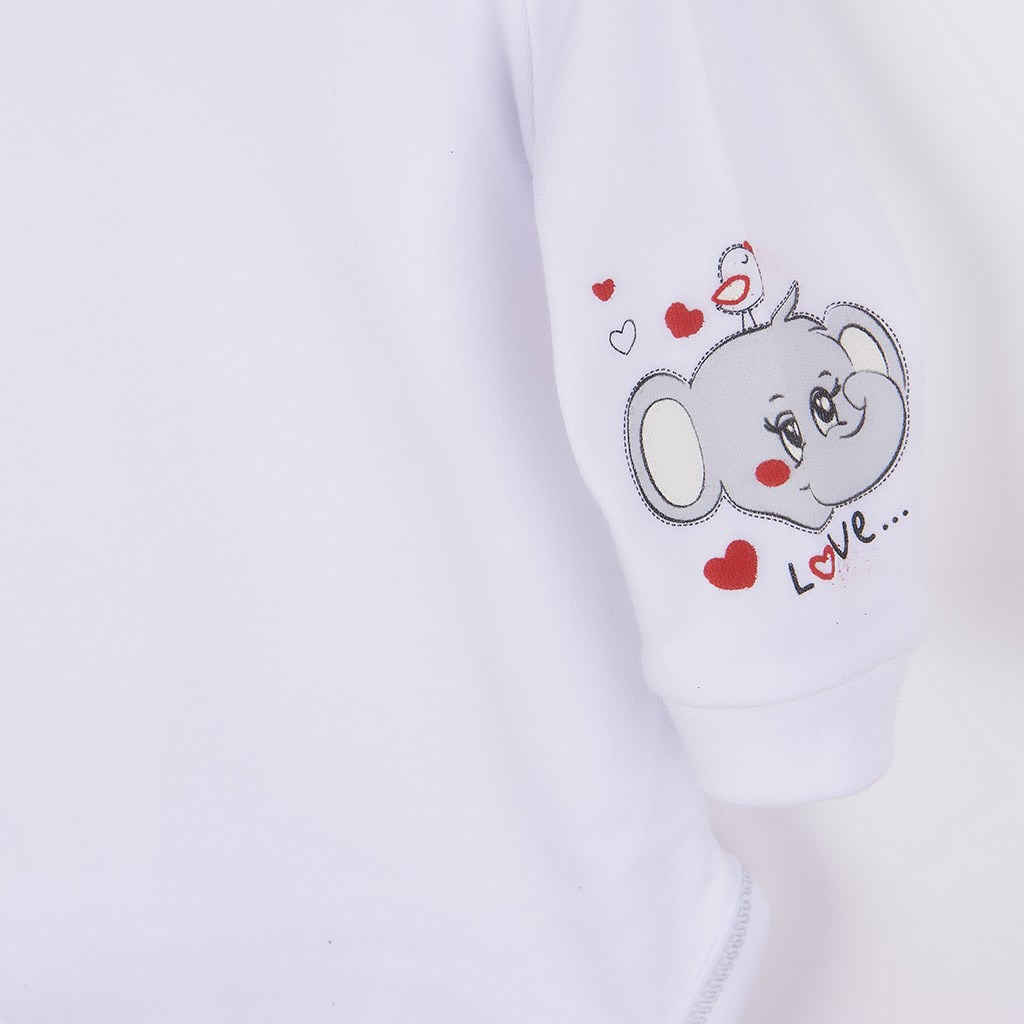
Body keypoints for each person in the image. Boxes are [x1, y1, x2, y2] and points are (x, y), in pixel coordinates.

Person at [0, 0, 927, 1020]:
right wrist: (793, 675)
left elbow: (693, 183)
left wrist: (792, 668)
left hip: (510, 882)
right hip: (501, 877)